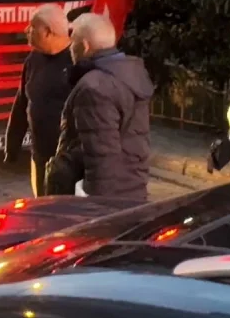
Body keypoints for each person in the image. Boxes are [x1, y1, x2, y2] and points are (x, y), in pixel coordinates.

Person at [46, 14, 154, 201]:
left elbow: (101, 158)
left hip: (110, 202)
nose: (70, 49)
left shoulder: (94, 87)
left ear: (85, 46)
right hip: (132, 188)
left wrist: (96, 210)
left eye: (73, 43)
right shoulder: (131, 73)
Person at [3, 5, 73, 196]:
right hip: (40, 155)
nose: (26, 31)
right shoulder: (33, 60)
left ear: (48, 32)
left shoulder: (76, 61)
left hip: (68, 160)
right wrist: (12, 146)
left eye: (32, 27)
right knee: (42, 207)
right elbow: (22, 103)